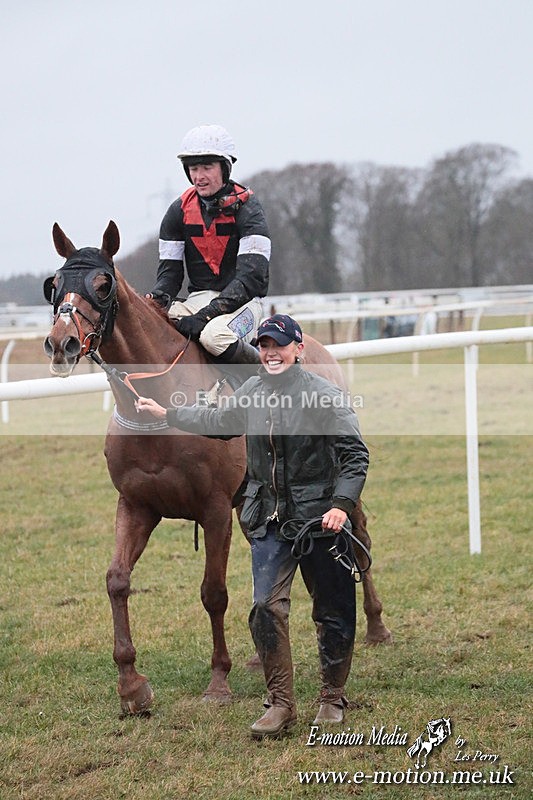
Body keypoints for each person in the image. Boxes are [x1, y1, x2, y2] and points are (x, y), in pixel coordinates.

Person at [135, 314, 369, 738]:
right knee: (264, 609)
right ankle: (280, 704)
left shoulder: (325, 397)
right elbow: (218, 421)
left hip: (321, 520)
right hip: (270, 519)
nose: (270, 353)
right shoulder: (253, 391)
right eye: (263, 346)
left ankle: (332, 698)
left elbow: (355, 457)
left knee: (333, 612)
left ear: (298, 349)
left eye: (278, 345)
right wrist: (166, 411)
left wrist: (341, 505)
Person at [147, 124, 270, 365]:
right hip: (197, 300)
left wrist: (206, 316)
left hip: (244, 304)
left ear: (224, 168)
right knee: (151, 328)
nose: (199, 177)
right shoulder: (177, 211)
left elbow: (250, 279)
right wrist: (154, 300)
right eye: (194, 168)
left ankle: (265, 381)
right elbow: (170, 276)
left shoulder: (250, 210)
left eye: (207, 167)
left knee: (214, 337)